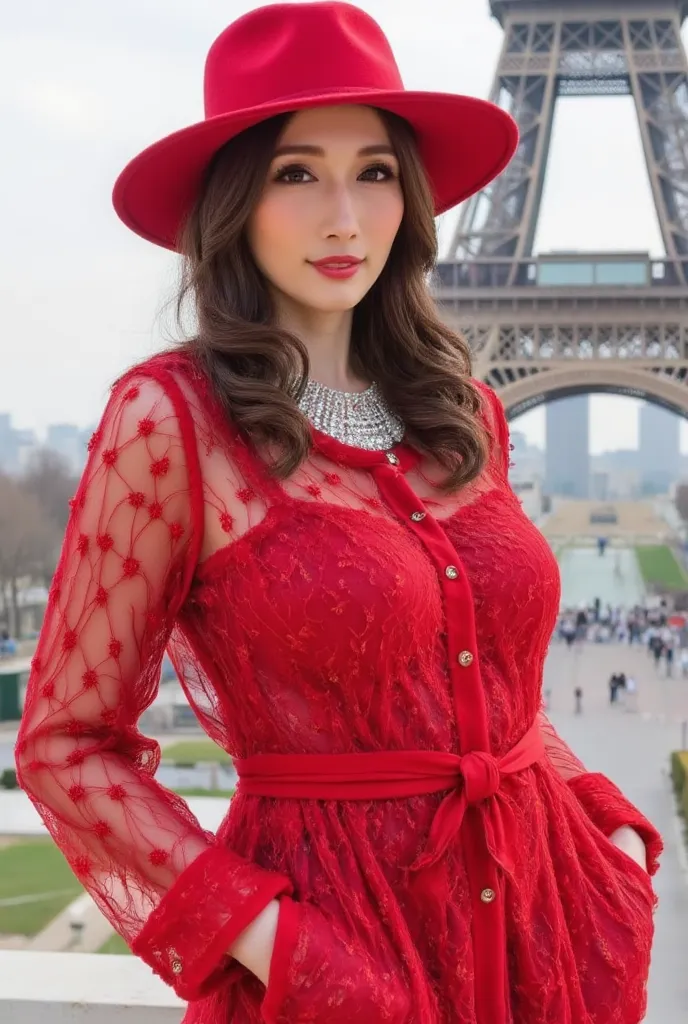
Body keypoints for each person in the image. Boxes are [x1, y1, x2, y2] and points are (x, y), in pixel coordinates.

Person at [13, 5, 661, 1024]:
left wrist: (601, 832)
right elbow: (64, 741)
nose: (344, 218)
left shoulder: (464, 407)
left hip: (541, 933)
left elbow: (497, 691)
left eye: (374, 171)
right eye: (295, 172)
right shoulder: (172, 419)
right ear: (231, 200)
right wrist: (288, 949)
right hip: (337, 960)